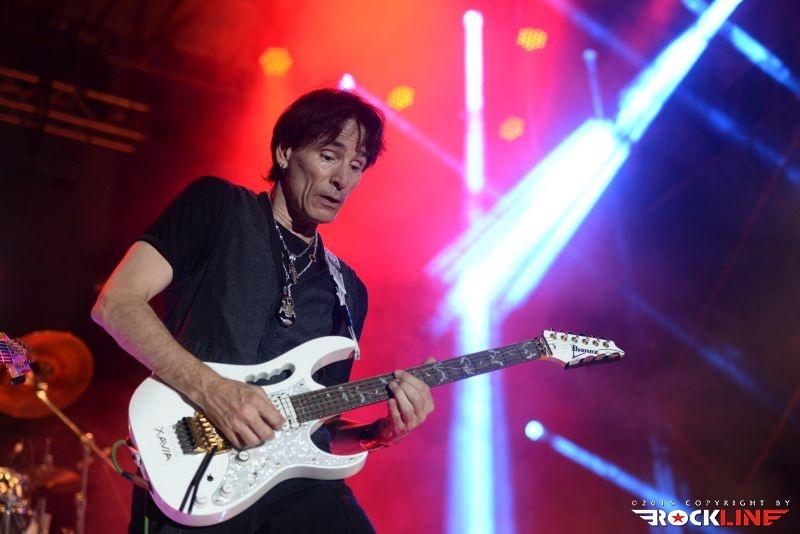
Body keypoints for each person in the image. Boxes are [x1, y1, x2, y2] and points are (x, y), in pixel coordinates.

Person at [92, 88, 435, 533]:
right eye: (329, 157)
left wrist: (379, 433)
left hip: (294, 490)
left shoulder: (349, 291)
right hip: (195, 466)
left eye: (356, 166)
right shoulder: (218, 207)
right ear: (285, 152)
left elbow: (319, 431)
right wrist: (215, 392)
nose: (342, 180)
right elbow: (116, 304)